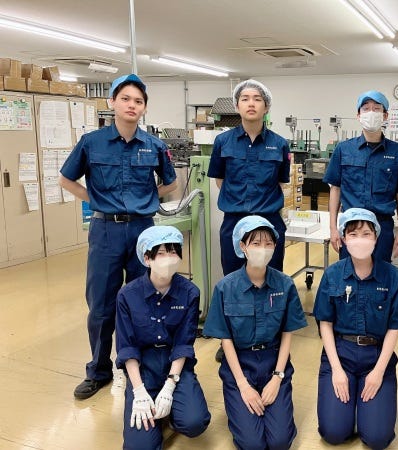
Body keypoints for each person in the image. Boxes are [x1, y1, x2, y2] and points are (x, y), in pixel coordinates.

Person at [59, 73, 177, 399]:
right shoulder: (91, 143)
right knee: (101, 305)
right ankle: (98, 371)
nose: (131, 105)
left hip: (143, 230)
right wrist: (95, 200)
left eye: (138, 101)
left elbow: (170, 182)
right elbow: (66, 179)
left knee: (143, 300)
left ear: (144, 108)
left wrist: (148, 199)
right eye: (125, 99)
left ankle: (137, 367)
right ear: (112, 102)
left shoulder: (154, 146)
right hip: (105, 231)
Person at [203, 216, 307, 450]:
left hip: (273, 361)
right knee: (253, 444)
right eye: (256, 243)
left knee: (280, 442)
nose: (263, 249)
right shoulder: (225, 287)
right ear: (243, 246)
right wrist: (242, 385)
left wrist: (277, 377)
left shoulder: (285, 285)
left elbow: (288, 333)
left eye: (268, 243)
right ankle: (241, 409)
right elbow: (225, 340)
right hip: (240, 364)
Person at [312, 208, 398, 449]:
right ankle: (348, 410)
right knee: (333, 433)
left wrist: (378, 372)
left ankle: (366, 410)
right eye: (353, 234)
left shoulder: (392, 276)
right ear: (344, 239)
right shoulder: (333, 274)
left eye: (366, 234)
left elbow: (394, 326)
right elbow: (325, 323)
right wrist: (336, 369)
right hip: (341, 355)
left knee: (377, 439)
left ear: (376, 237)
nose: (360, 240)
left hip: (376, 357)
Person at [208, 79, 290, 362]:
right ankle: (230, 340)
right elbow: (220, 180)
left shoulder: (279, 144)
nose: (251, 103)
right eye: (245, 98)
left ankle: (270, 337)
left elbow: (281, 182)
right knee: (233, 281)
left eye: (257, 99)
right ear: (237, 106)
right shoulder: (223, 142)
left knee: (271, 281)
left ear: (266, 106)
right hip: (235, 223)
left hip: (269, 223)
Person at [116, 226, 211, 449]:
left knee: (194, 422)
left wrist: (170, 385)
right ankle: (147, 404)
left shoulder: (190, 292)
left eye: (173, 252)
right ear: (147, 258)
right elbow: (127, 347)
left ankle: (172, 408)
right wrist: (138, 391)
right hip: (143, 368)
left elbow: (183, 343)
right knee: (140, 447)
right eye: (161, 253)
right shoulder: (127, 295)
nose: (168, 259)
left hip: (175, 364)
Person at [323, 90, 398, 263]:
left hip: (383, 226)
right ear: (358, 115)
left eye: (377, 108)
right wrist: (333, 229)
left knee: (380, 272)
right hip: (351, 226)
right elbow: (335, 189)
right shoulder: (343, 149)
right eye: (366, 108)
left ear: (385, 115)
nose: (371, 113)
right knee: (349, 271)